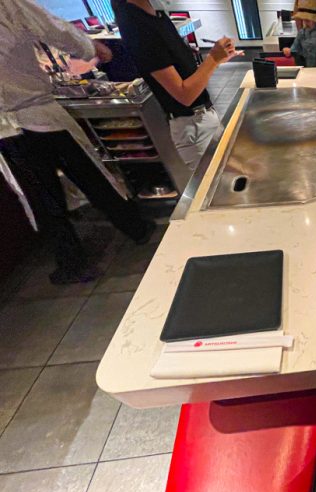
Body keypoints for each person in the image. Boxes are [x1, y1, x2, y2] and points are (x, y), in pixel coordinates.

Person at [0, 0, 154, 285]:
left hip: (7, 131)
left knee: (44, 198)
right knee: (89, 175)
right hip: (37, 114)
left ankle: (72, 263)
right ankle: (136, 228)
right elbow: (53, 28)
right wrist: (90, 48)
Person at [113, 0, 240, 171]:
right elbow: (184, 95)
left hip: (205, 116)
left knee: (226, 171)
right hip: (193, 127)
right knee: (213, 180)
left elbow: (187, 75)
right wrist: (213, 59)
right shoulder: (136, 26)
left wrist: (217, 60)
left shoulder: (158, 16)